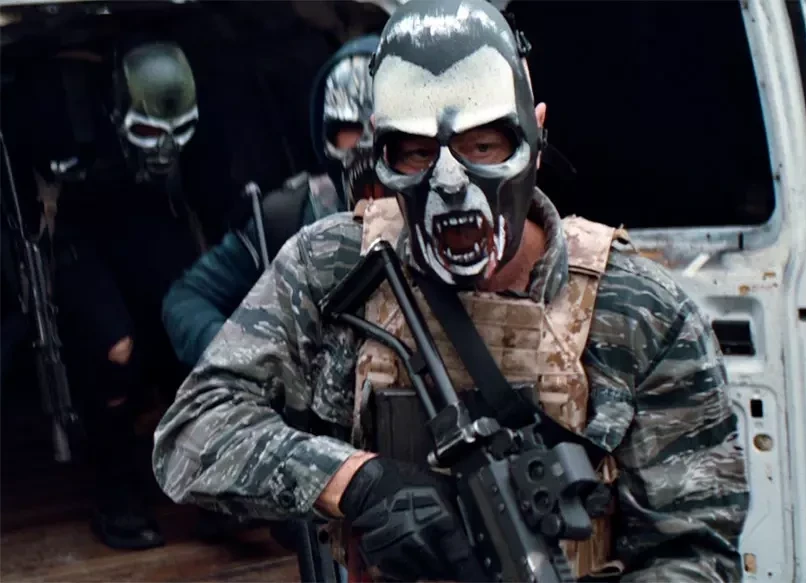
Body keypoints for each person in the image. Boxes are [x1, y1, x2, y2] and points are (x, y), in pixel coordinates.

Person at [153, 1, 750, 581]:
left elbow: (699, 551)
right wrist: (357, 482)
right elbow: (192, 431)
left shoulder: (641, 309)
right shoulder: (334, 264)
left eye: (482, 146)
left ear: (536, 133)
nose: (449, 182)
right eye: (416, 153)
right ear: (380, 152)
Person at [46, 40, 206, 551]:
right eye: (149, 133)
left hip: (155, 231)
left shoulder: (190, 152)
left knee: (193, 337)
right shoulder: (75, 129)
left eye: (175, 132)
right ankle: (115, 491)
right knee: (114, 350)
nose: (163, 148)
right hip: (84, 239)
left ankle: (214, 477)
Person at [161, 34, 383, 370]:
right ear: (326, 131)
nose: (367, 141)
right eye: (350, 126)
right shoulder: (292, 214)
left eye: (384, 126)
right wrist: (245, 357)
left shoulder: (449, 210)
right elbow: (186, 299)